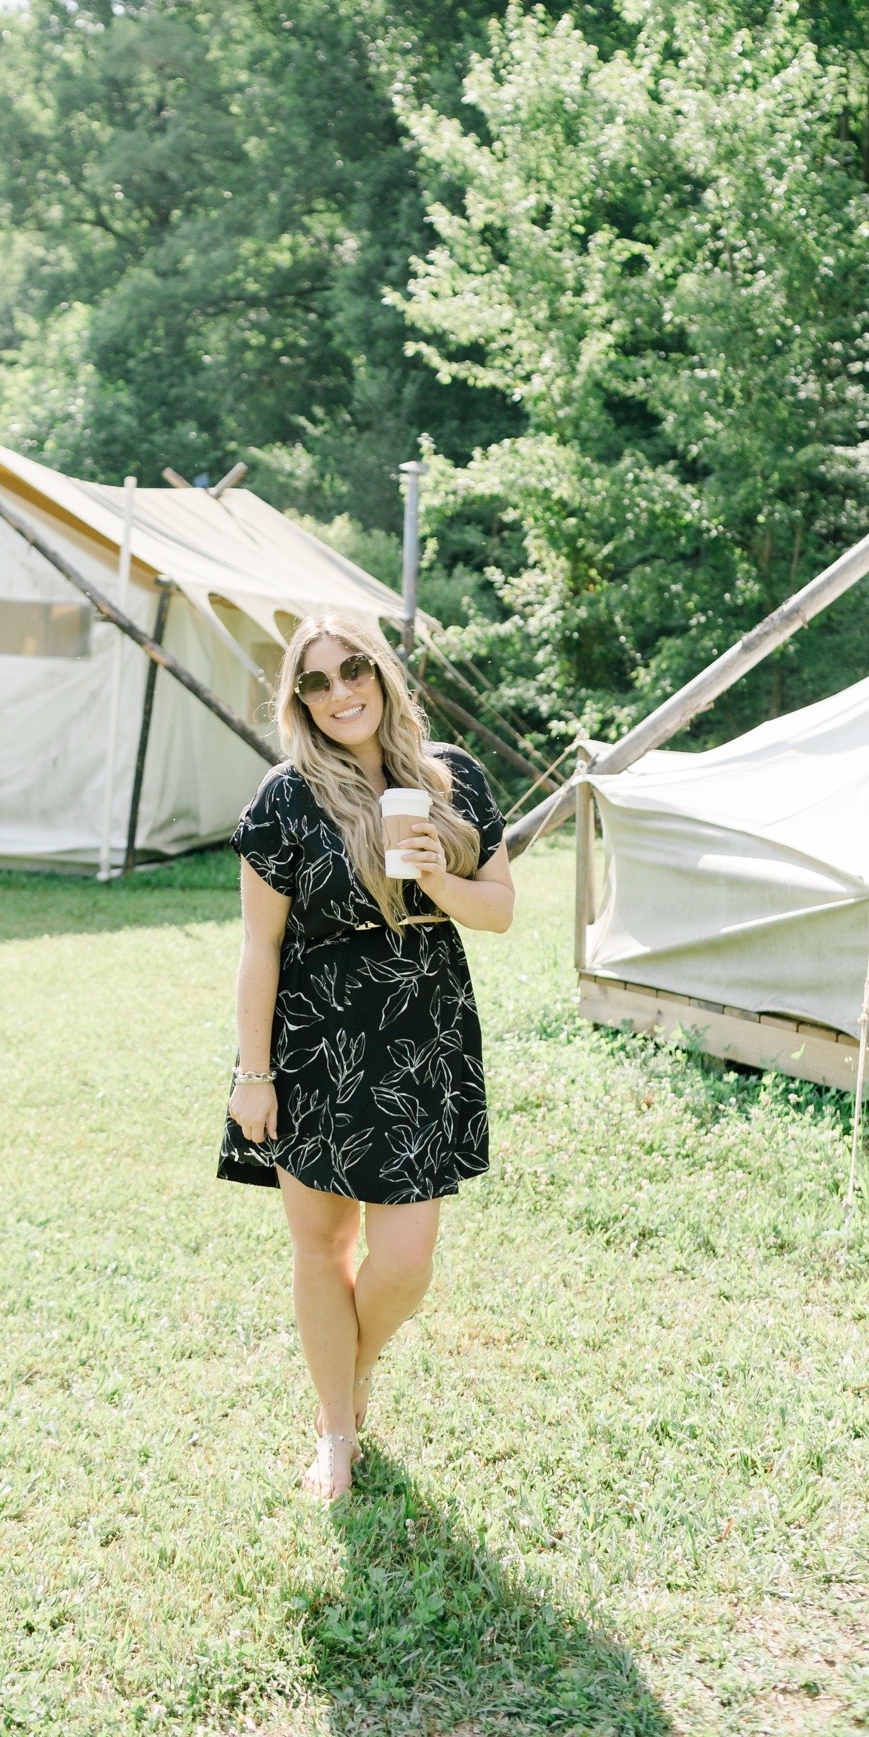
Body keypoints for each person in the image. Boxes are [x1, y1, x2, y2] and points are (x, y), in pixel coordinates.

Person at [218, 614, 515, 1499]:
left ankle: (347, 1373)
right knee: (321, 1246)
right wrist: (252, 1071)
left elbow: (497, 911)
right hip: (315, 1039)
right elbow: (258, 947)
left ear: (381, 674)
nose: (339, 691)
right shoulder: (286, 794)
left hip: (423, 1035)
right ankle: (335, 1433)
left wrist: (435, 877)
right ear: (299, 701)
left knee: (407, 1256)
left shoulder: (450, 777)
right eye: (315, 681)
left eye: (353, 669)